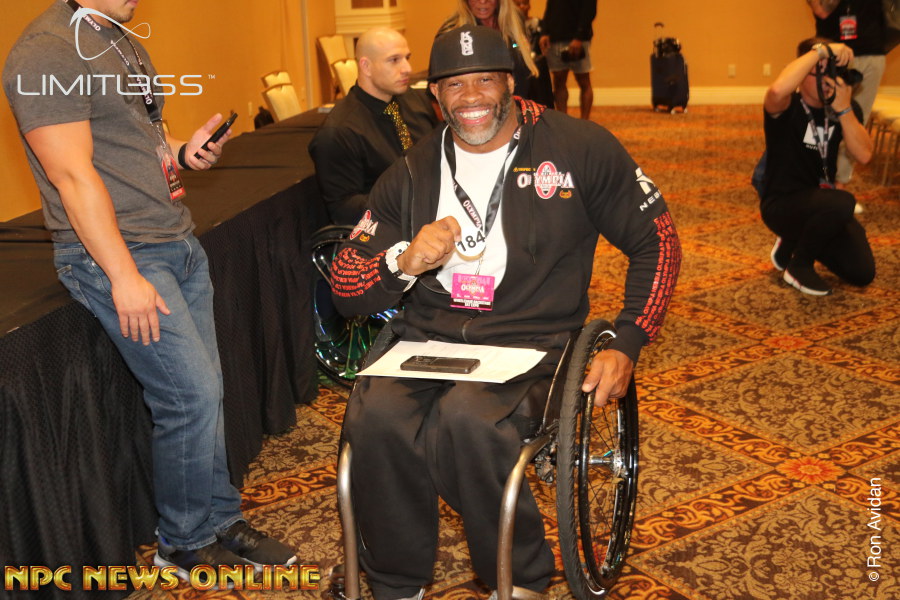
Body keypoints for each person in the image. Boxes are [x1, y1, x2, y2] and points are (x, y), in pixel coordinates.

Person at [329, 24, 681, 600]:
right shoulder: (412, 171)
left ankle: (518, 580)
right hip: (431, 336)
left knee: (469, 422)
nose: (471, 97)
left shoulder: (579, 148)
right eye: (454, 84)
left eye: (485, 80)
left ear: (511, 84)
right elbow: (347, 284)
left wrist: (629, 341)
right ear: (435, 96)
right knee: (376, 419)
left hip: (535, 339)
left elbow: (658, 240)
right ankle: (397, 583)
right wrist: (401, 262)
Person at [2, 0, 296, 578]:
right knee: (189, 397)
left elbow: (136, 138)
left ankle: (221, 519)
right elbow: (71, 175)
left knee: (208, 393)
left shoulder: (118, 37)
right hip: (122, 253)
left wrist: (182, 152)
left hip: (174, 238)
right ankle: (183, 542)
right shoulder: (46, 51)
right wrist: (121, 275)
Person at [759, 38, 875, 296]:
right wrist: (821, 51)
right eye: (819, 71)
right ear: (800, 73)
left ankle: (792, 242)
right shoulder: (787, 105)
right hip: (781, 204)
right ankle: (799, 266)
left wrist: (844, 110)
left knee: (862, 272)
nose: (827, 79)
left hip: (823, 208)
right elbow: (776, 90)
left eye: (831, 70)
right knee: (843, 201)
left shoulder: (843, 107)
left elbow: (865, 154)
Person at [309, 27, 439, 226]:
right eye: (394, 60)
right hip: (391, 228)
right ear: (366, 67)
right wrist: (412, 201)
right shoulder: (339, 132)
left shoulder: (415, 102)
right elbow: (344, 210)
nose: (407, 68)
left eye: (407, 58)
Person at [807, 0, 886, 193]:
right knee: (824, 120)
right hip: (835, 52)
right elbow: (822, 10)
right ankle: (815, 178)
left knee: (855, 122)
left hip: (872, 53)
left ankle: (840, 185)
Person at [438, 0, 546, 104]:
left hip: (520, 107)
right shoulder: (451, 32)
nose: (483, 1)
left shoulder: (514, 19)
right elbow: (437, 93)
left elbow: (520, 58)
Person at [538, 0, 597, 119]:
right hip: (555, 39)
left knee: (583, 80)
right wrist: (544, 33)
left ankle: (585, 121)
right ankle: (563, 120)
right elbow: (550, 9)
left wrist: (579, 37)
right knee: (559, 81)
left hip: (578, 40)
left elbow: (589, 11)